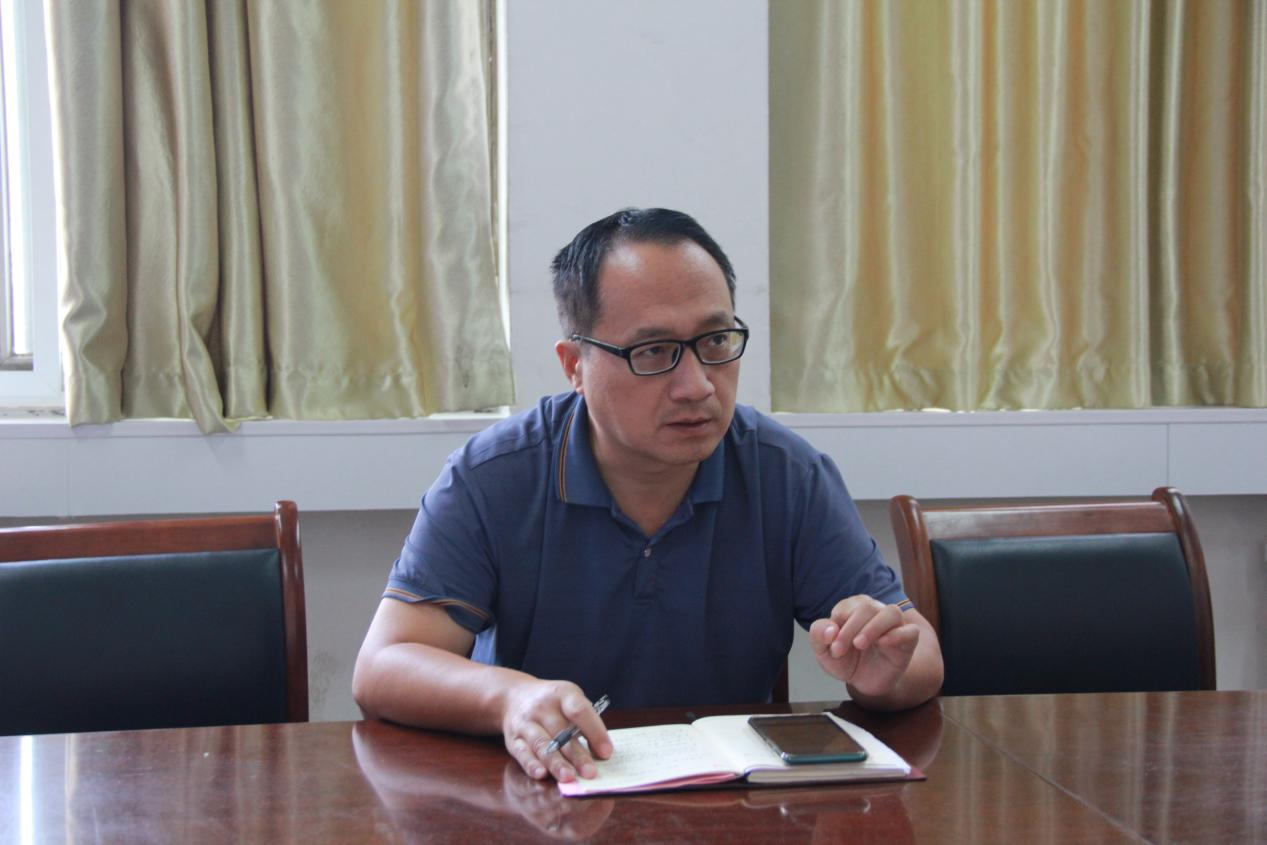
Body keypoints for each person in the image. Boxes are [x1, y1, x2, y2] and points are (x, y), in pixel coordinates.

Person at [353, 207, 943, 786]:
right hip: (546, 800)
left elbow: (919, 655)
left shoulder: (784, 473)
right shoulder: (494, 477)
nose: (697, 385)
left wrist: (883, 675)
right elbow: (383, 666)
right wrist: (510, 698)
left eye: (716, 340)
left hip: (731, 808)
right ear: (574, 366)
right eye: (654, 352)